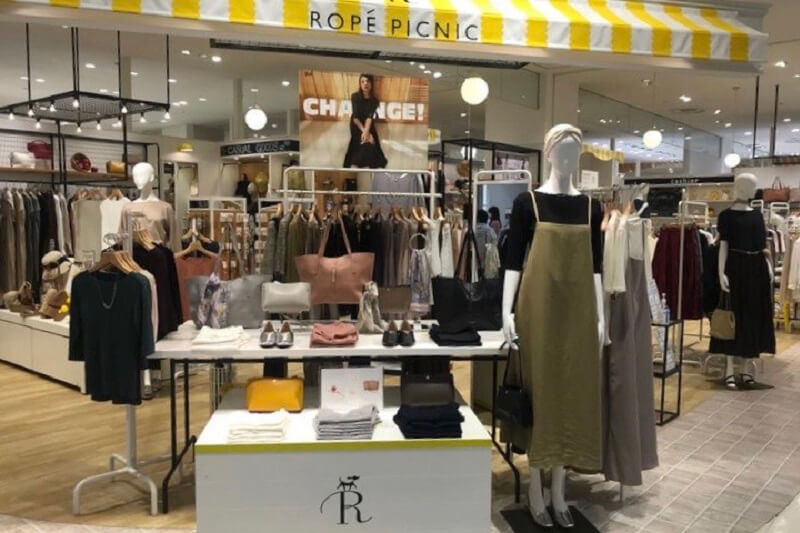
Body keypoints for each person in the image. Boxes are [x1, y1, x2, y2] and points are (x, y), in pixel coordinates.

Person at [343, 74, 388, 169]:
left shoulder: (375, 101)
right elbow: (355, 117)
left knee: (373, 138)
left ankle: (374, 162)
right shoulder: (355, 96)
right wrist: (364, 132)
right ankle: (355, 162)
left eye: (367, 81)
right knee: (360, 139)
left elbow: (369, 117)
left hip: (368, 123)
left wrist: (367, 132)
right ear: (360, 84)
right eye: (362, 81)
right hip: (356, 123)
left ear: (371, 84)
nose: (365, 84)